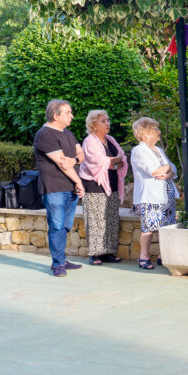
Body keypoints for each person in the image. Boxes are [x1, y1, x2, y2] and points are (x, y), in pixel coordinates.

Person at [34, 100, 86, 277]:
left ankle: (62, 260)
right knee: (56, 226)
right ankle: (58, 264)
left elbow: (81, 154)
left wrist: (75, 160)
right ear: (56, 116)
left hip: (70, 188)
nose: (72, 115)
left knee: (65, 226)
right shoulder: (45, 135)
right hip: (55, 188)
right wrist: (79, 182)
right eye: (68, 112)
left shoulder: (68, 133)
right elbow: (62, 163)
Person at [78, 110, 128, 267]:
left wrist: (114, 161)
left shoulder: (111, 140)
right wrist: (113, 161)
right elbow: (96, 161)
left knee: (111, 218)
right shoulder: (89, 141)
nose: (107, 123)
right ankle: (94, 254)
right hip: (94, 185)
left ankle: (107, 252)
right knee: (96, 219)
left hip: (111, 183)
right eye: (103, 121)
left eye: (108, 120)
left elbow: (122, 157)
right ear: (93, 125)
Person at [130, 117, 178, 270]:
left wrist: (167, 171)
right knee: (149, 228)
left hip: (167, 194)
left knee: (166, 227)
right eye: (155, 129)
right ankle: (144, 256)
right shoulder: (138, 151)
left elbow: (173, 168)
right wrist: (165, 169)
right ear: (145, 133)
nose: (159, 132)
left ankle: (162, 255)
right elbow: (152, 170)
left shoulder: (159, 150)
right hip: (150, 195)